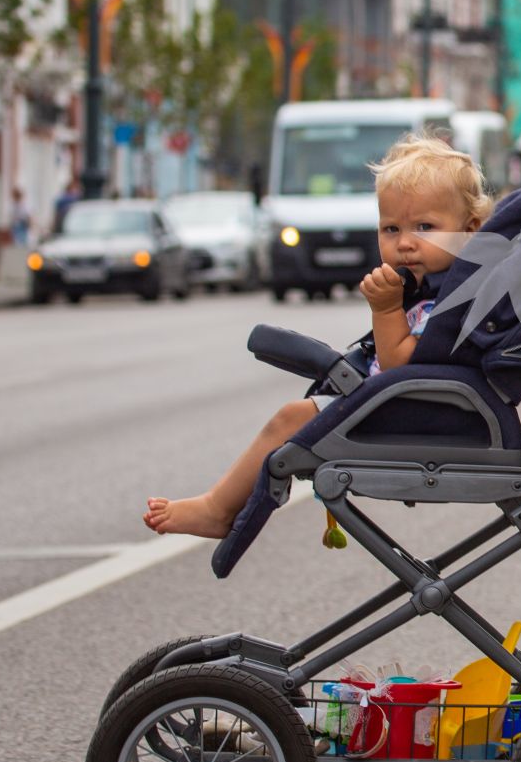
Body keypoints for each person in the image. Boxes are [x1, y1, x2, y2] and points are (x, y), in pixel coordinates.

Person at [143, 134, 495, 539]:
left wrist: (384, 310)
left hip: (413, 410)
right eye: (391, 228)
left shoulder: (451, 299)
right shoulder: (440, 286)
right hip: (404, 403)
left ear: (470, 230)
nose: (404, 243)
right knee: (296, 413)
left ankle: (217, 510)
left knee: (291, 417)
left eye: (424, 227)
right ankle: (218, 507)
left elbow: (400, 365)